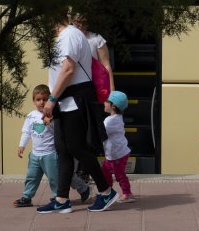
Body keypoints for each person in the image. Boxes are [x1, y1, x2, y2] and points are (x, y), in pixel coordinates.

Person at [39, 15, 119, 213]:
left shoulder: (69, 35)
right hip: (65, 101)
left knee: (77, 148)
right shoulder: (66, 36)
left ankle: (106, 191)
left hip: (72, 101)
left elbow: (68, 69)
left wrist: (51, 100)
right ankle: (62, 198)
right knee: (64, 150)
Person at [13, 84, 92, 207]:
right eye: (38, 99)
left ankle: (58, 196)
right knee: (31, 177)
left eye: (45, 99)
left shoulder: (54, 115)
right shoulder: (31, 116)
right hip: (35, 155)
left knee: (55, 178)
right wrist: (21, 145)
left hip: (50, 154)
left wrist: (51, 122)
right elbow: (26, 132)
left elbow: (60, 131)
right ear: (34, 101)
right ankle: (27, 197)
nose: (42, 102)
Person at [101, 91, 135, 203]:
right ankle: (108, 191)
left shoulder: (110, 121)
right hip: (114, 153)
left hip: (117, 154)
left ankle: (127, 193)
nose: (104, 102)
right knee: (105, 172)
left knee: (119, 175)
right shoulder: (117, 117)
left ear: (113, 106)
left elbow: (101, 132)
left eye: (107, 101)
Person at [69, 12, 115, 91]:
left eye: (84, 22)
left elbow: (106, 65)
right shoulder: (67, 38)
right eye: (78, 22)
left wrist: (111, 90)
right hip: (71, 84)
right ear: (72, 21)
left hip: (93, 85)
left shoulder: (96, 39)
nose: (81, 25)